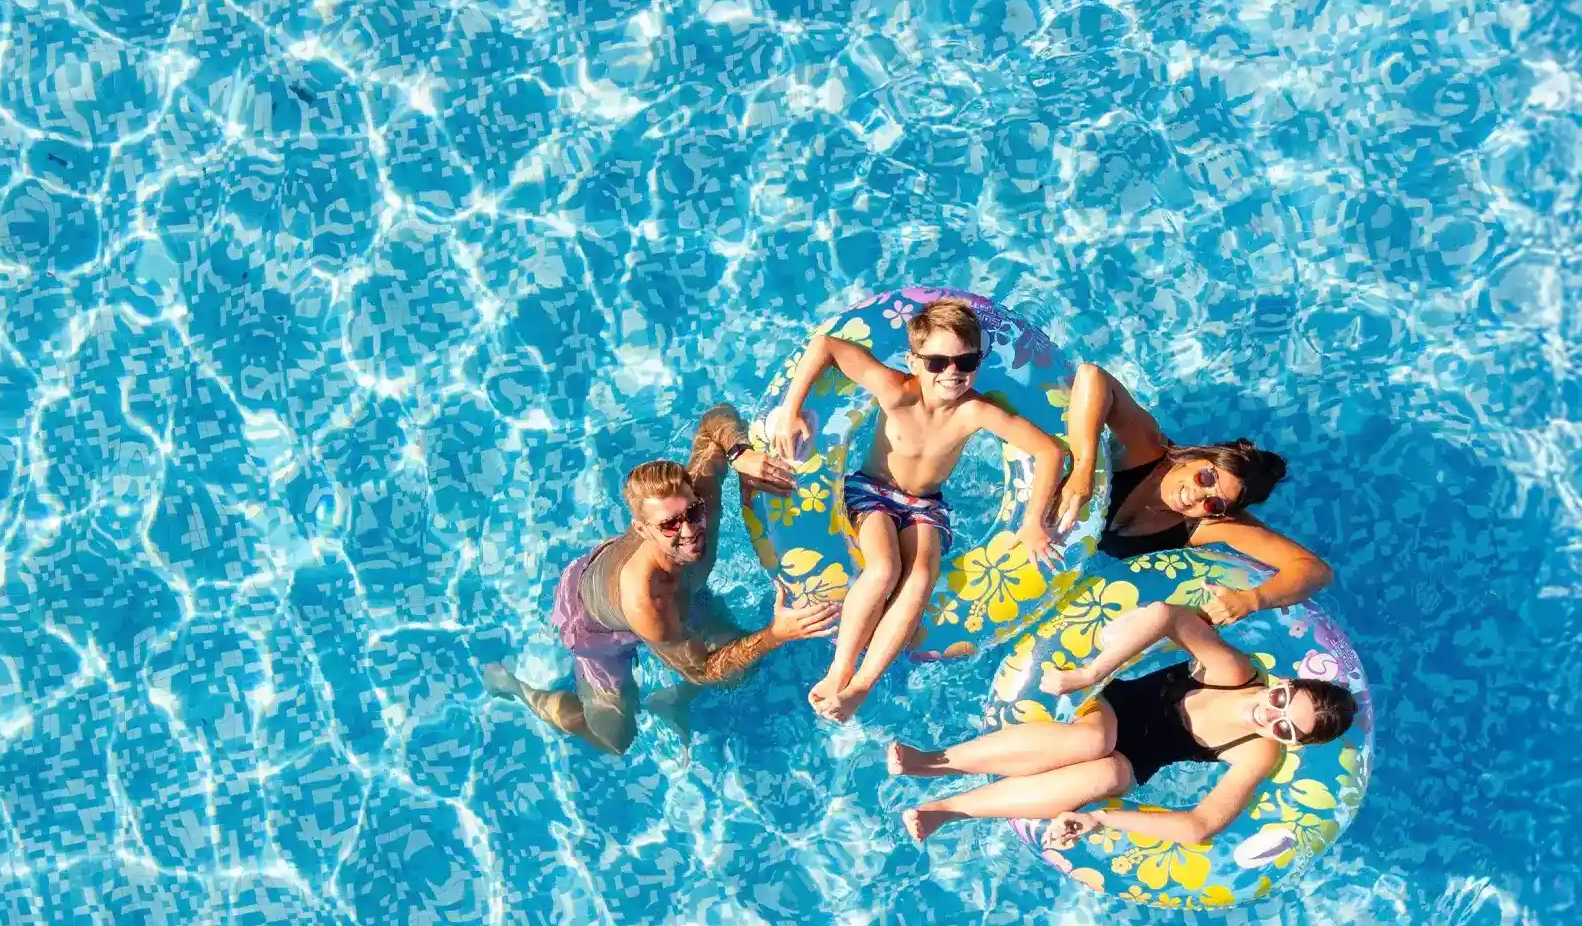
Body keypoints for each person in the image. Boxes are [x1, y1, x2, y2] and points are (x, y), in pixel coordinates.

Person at [769, 299, 1066, 723]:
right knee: (885, 569)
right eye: (937, 361)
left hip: (927, 505)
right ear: (914, 361)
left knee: (922, 576)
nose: (951, 372)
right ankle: (840, 671)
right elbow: (825, 346)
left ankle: (860, 689)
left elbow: (1048, 450)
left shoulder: (975, 411)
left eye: (965, 360)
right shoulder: (895, 390)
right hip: (872, 492)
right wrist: (791, 409)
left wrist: (1034, 521)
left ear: (979, 360)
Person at [483, 404, 840, 755]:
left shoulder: (699, 498)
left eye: (692, 512)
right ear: (641, 528)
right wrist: (775, 634)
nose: (689, 531)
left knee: (741, 669)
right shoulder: (647, 601)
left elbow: (714, 419)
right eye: (670, 524)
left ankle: (669, 702)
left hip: (670, 591)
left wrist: (739, 454)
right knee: (616, 737)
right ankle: (517, 688)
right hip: (595, 623)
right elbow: (700, 670)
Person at [887, 598, 1357, 846]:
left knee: (1110, 772)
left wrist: (1099, 819)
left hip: (1136, 760)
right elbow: (1166, 616)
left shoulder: (1259, 751)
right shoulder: (1234, 673)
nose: (1268, 714)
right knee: (1096, 739)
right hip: (1114, 705)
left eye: (1284, 727)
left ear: (1291, 742)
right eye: (1281, 700)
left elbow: (1200, 826)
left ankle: (947, 810)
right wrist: (1090, 673)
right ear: (1286, 682)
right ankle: (933, 763)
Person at [1052, 362, 1333, 624]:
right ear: (1198, 457)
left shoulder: (1208, 525)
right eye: (1206, 477)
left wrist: (1251, 600)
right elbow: (1091, 375)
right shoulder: (1146, 449)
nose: (1198, 496)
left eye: (1214, 503)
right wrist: (1083, 468)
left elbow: (1315, 570)